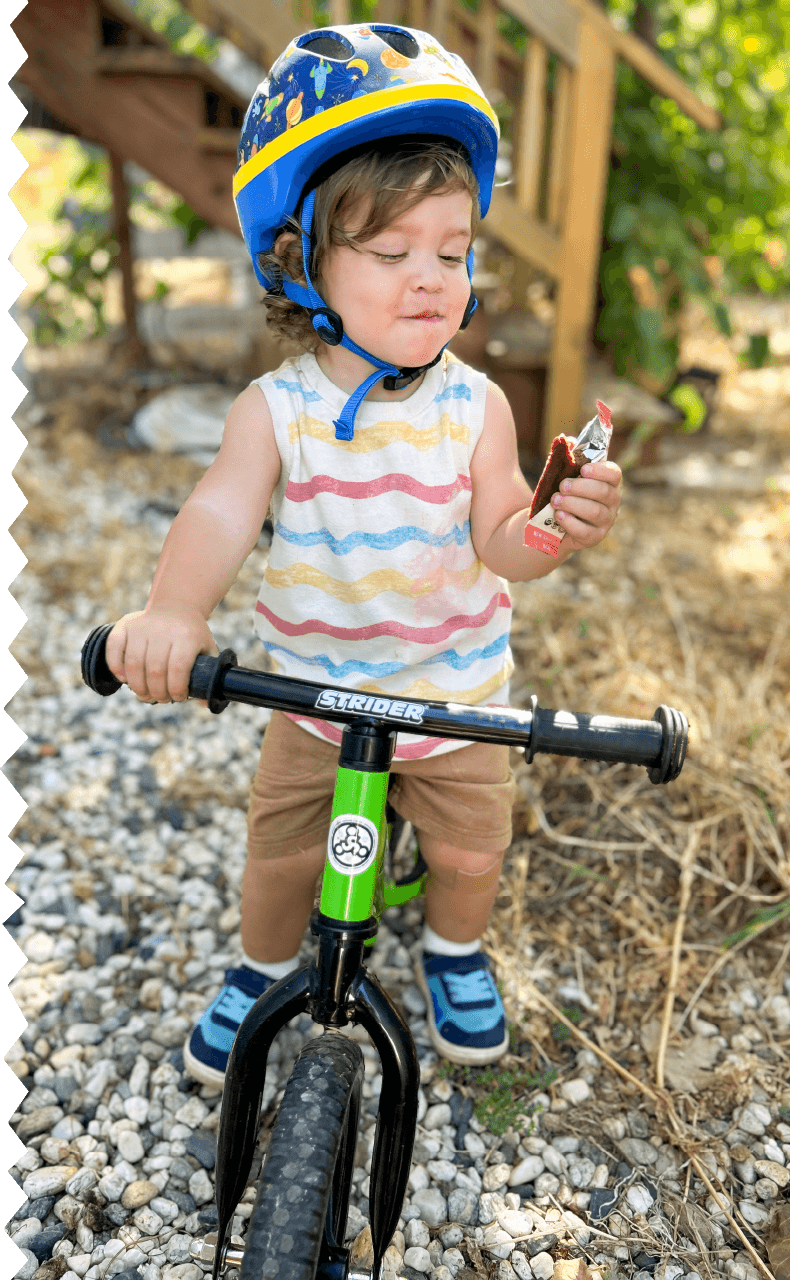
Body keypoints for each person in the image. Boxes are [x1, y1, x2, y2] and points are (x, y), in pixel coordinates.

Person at [106, 24, 622, 1085]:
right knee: (283, 852)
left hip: (451, 692)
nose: (430, 278)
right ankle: (261, 964)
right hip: (313, 694)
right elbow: (219, 511)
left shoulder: (477, 407)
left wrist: (548, 530)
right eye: (391, 254)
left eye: (452, 251)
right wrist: (174, 610)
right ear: (304, 260)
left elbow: (499, 535)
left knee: (470, 850)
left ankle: (454, 949)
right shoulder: (276, 409)